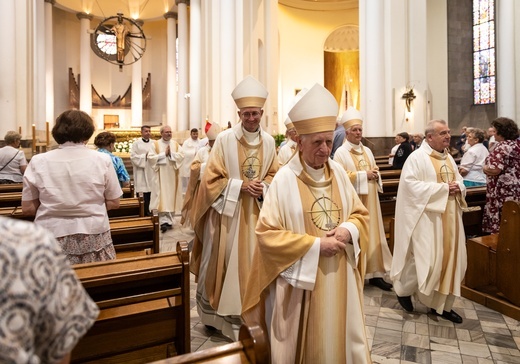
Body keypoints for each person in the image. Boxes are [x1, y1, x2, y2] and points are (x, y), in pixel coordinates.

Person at [242, 84, 371, 363]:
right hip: (300, 288)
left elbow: (360, 214)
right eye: (317, 142)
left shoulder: (337, 172)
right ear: (299, 142)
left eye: (328, 141)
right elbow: (267, 235)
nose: (325, 149)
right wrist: (315, 246)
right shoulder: (284, 180)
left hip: (340, 278)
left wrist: (348, 231)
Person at [190, 75, 278, 340]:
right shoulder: (226, 139)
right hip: (227, 214)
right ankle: (216, 319)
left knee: (253, 264)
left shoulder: (271, 142)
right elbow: (210, 179)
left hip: (257, 215)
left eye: (255, 113)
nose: (251, 118)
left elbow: (276, 174)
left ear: (262, 113)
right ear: (239, 113)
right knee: (222, 262)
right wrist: (239, 186)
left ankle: (251, 316)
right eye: (246, 113)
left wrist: (265, 186)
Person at [390, 119, 467, 324]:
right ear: (430, 137)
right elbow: (410, 186)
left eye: (449, 132)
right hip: (427, 219)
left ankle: (441, 306)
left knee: (450, 261)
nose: (448, 136)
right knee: (427, 261)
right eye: (443, 133)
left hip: (451, 218)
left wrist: (460, 187)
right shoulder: (416, 158)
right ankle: (403, 290)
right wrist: (443, 189)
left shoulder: (449, 158)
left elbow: (458, 179)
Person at [22, 109, 122, 265]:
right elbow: (114, 202)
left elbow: (28, 208)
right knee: (95, 280)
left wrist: (58, 207)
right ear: (88, 132)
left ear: (58, 131)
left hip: (50, 232)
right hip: (93, 232)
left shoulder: (38, 161)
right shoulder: (102, 160)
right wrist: (86, 209)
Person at [0, 217, 99, 364]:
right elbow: (60, 344)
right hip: (93, 230)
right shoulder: (29, 240)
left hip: (55, 228)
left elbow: (28, 208)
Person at [334, 107, 393, 291]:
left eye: (360, 129)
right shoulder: (341, 153)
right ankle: (358, 271)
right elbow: (341, 176)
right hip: (354, 201)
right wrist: (363, 175)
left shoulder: (367, 150)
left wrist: (375, 175)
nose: (358, 133)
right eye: (354, 130)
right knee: (358, 233)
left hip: (372, 200)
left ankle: (375, 273)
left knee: (375, 232)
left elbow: (374, 168)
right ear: (347, 132)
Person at [482, 117, 520, 234]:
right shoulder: (516, 144)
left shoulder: (502, 146)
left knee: (503, 221)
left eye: (494, 130)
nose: (493, 134)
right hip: (516, 188)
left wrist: (484, 168)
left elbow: (495, 170)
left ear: (501, 131)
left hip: (502, 191)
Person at [181, 122, 221, 227]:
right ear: (209, 141)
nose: (215, 143)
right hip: (203, 187)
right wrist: (207, 166)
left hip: (218, 186)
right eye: (213, 141)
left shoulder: (222, 151)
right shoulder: (202, 151)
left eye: (217, 141)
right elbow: (194, 167)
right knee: (203, 214)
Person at [149, 125, 184, 233]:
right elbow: (151, 158)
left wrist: (171, 154)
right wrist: (163, 154)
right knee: (162, 197)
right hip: (160, 175)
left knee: (170, 197)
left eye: (170, 132)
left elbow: (181, 156)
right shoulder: (155, 144)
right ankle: (163, 221)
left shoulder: (175, 144)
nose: (169, 134)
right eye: (166, 132)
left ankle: (169, 220)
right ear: (161, 133)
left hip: (172, 175)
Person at [130, 125, 156, 216]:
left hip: (151, 171)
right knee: (143, 192)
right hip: (141, 171)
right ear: (141, 132)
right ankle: (143, 212)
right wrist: (144, 156)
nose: (148, 133)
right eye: (146, 131)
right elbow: (133, 157)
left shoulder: (154, 143)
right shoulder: (136, 144)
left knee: (152, 192)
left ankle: (151, 211)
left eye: (149, 131)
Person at [180, 128, 201, 194]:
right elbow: (183, 153)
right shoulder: (186, 142)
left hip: (197, 163)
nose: (195, 135)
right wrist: (194, 153)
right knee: (188, 179)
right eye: (194, 134)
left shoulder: (200, 141)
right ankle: (187, 192)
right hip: (188, 164)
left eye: (196, 134)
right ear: (191, 134)